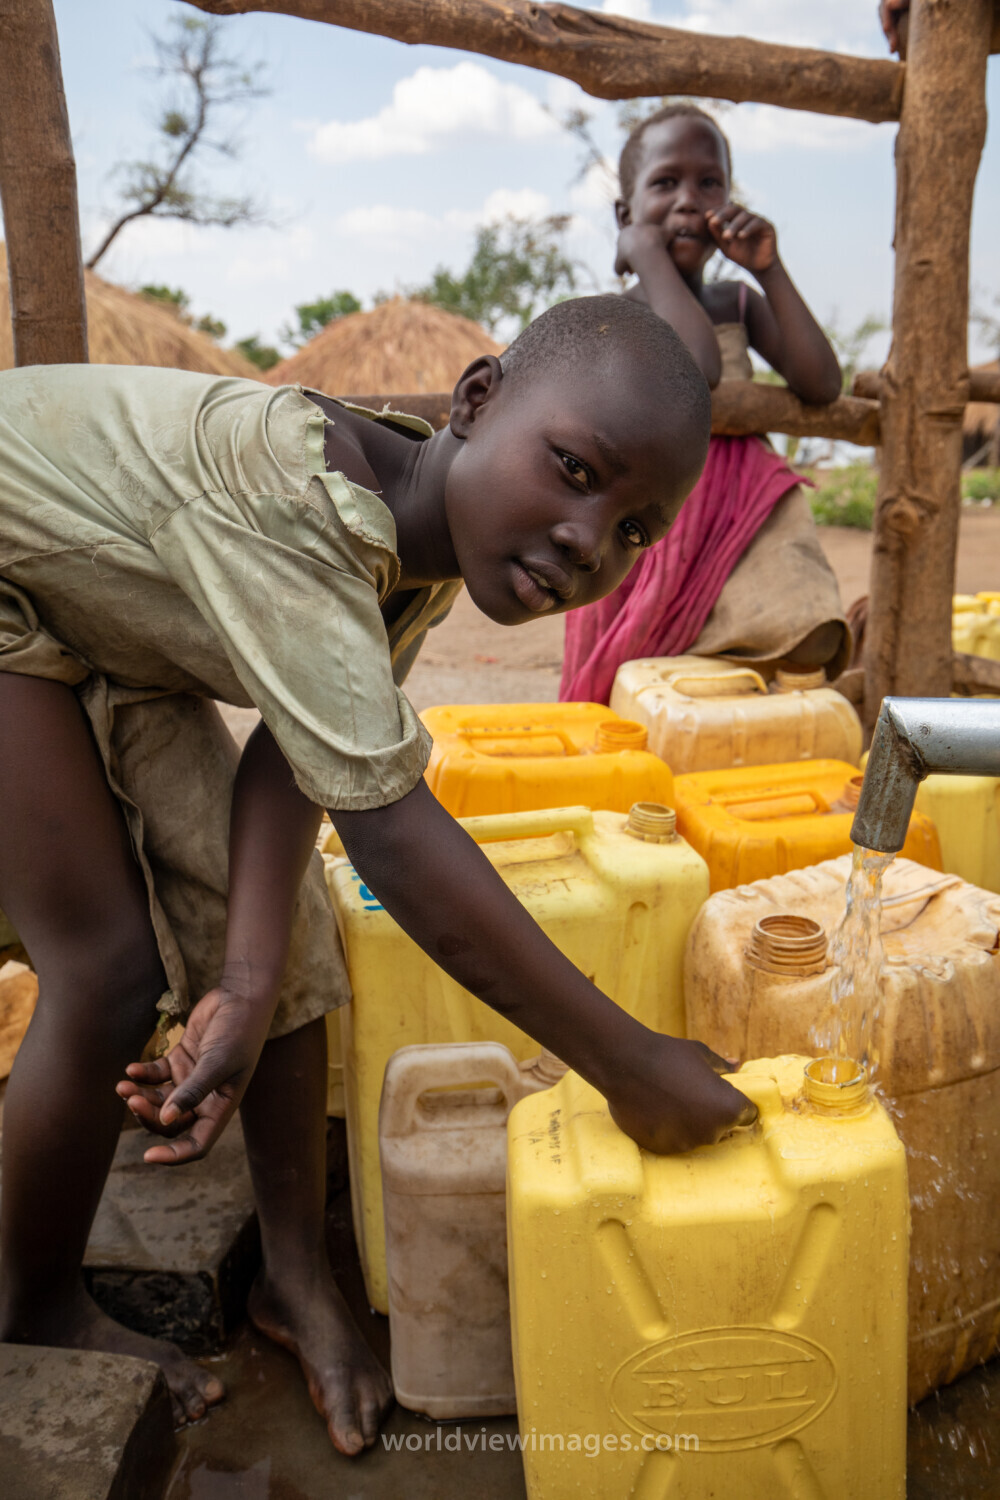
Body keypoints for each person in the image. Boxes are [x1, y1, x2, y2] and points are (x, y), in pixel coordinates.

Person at [0, 295, 756, 1454]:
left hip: (93, 613)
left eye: (631, 532)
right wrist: (628, 1063)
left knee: (288, 937)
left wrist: (247, 980)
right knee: (104, 964)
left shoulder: (418, 544)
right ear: (474, 398)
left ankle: (292, 1281)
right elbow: (393, 834)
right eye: (571, 469)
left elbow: (293, 767)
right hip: (18, 587)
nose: (584, 540)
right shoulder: (292, 503)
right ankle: (31, 1301)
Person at [560, 104, 851, 705]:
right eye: (666, 183)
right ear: (626, 213)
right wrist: (647, 256)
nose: (690, 200)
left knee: (799, 633)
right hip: (662, 519)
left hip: (746, 512)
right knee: (653, 686)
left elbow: (821, 382)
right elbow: (699, 368)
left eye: (709, 182)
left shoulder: (736, 302)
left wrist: (769, 269)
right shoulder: (619, 315)